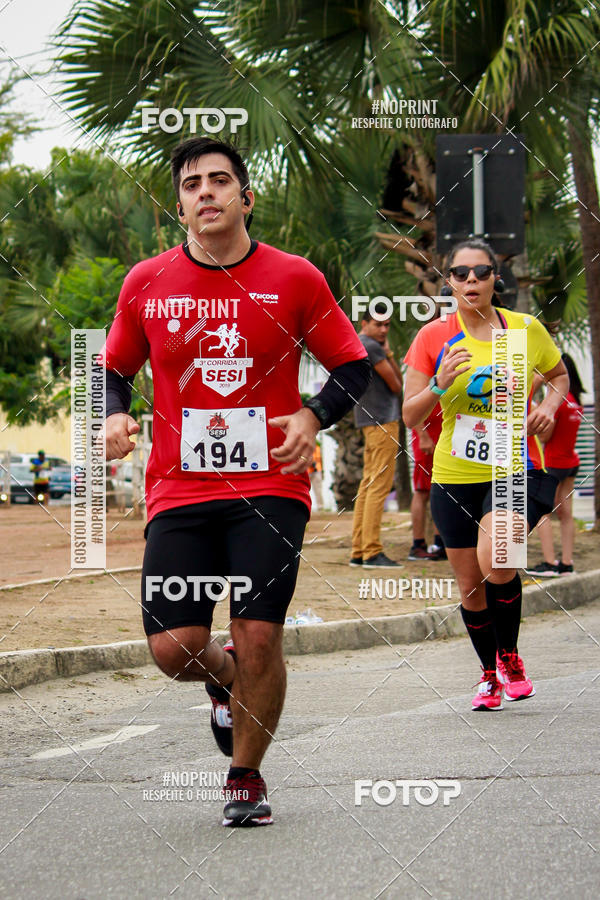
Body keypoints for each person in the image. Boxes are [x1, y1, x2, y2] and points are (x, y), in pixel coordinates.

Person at [100, 137, 370, 827]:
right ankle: (221, 681)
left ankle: (245, 776)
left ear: (246, 198)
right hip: (179, 490)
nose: (207, 193)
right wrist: (114, 420)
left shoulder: (296, 278)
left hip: (271, 487)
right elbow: (113, 371)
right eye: (192, 185)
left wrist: (313, 415)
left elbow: (353, 368)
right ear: (181, 206)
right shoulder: (146, 283)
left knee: (258, 636)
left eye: (221, 181)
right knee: (174, 646)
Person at [403, 239, 568, 711]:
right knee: (471, 587)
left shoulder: (522, 330)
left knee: (499, 557)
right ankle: (488, 673)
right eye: (460, 274)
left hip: (509, 469)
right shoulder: (434, 337)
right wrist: (439, 383)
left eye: (480, 272)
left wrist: (549, 407)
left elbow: (558, 376)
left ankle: (512, 657)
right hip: (453, 476)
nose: (470, 281)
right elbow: (411, 417)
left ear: (497, 277)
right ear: (448, 281)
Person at [350, 305, 403, 568]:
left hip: (370, 422)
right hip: (383, 422)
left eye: (387, 325)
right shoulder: (371, 346)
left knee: (368, 485)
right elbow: (397, 384)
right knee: (379, 486)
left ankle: (359, 550)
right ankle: (371, 551)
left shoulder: (361, 343)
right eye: (378, 324)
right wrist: (389, 351)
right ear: (364, 323)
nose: (383, 330)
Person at [526, 353, 585, 577]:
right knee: (566, 513)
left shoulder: (556, 402)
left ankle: (550, 563)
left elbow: (544, 437)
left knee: (543, 514)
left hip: (552, 463)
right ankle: (566, 564)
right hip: (571, 462)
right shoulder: (574, 401)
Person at [408, 406, 446, 560]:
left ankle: (440, 543)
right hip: (428, 435)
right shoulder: (422, 380)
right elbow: (411, 404)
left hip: (446, 433)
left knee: (443, 487)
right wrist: (422, 435)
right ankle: (418, 545)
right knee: (423, 490)